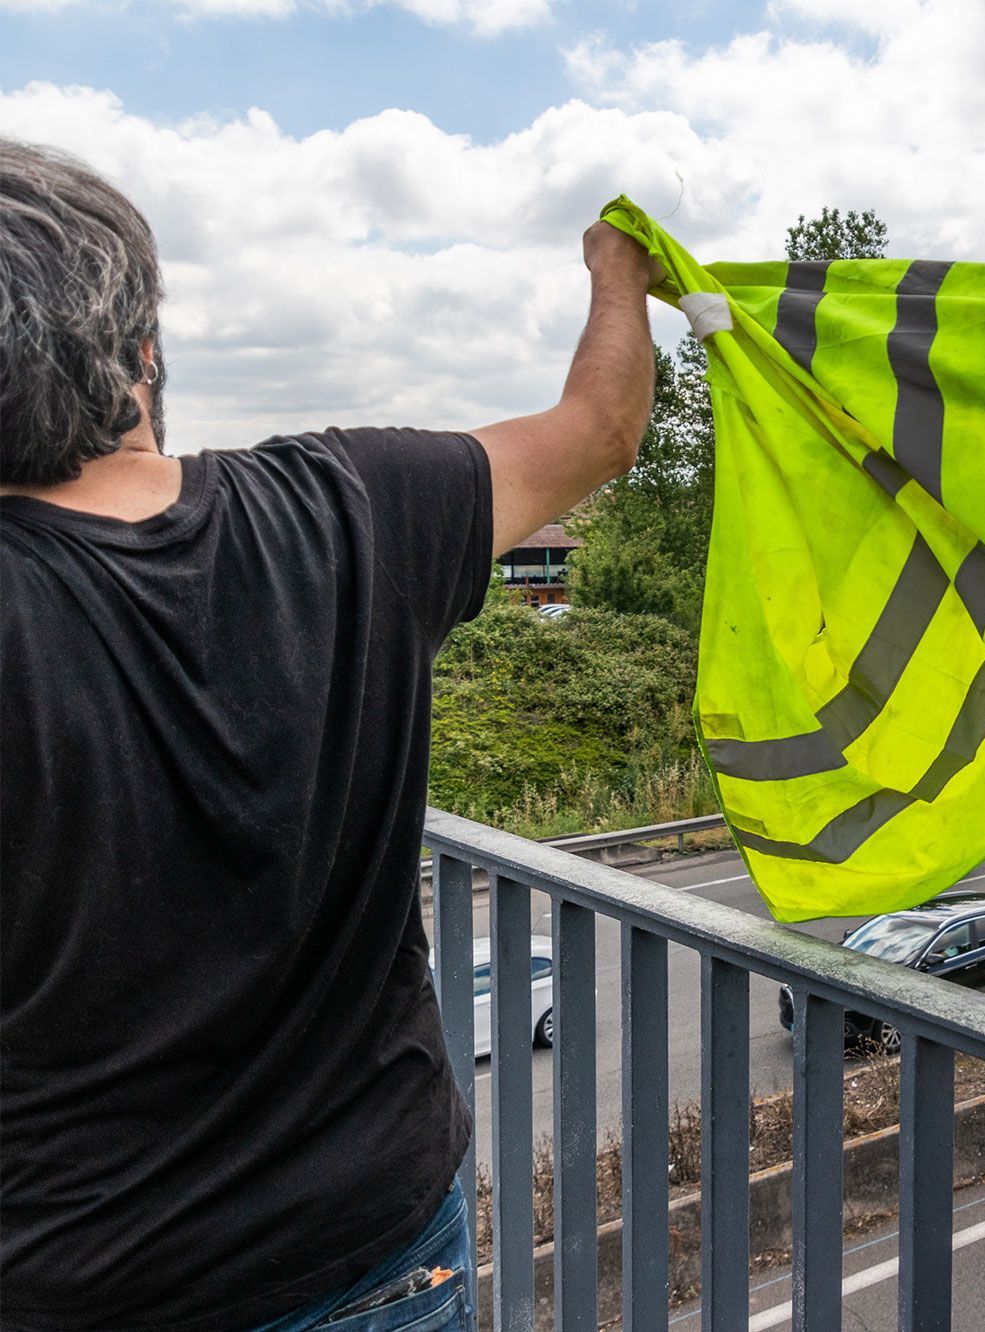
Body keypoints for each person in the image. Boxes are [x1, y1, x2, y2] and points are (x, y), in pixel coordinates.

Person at [0, 139, 659, 1329]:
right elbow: (602, 426)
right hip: (380, 1245)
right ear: (141, 350)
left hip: (85, 1282)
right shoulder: (354, 501)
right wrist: (616, 272)